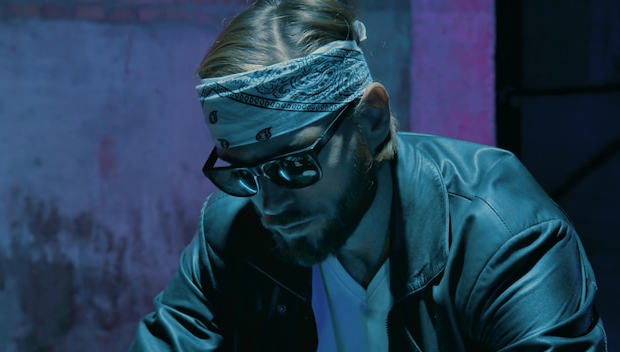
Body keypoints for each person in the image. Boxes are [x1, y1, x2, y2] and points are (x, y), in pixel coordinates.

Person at [130, 0, 608, 350]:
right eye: (248, 174)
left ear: (372, 120)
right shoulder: (233, 229)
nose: (270, 207)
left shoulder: (506, 239)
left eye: (295, 164)